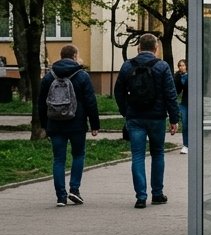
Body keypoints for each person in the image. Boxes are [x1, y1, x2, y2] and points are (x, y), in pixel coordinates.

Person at [114, 34, 180, 208]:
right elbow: (170, 94)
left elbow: (118, 91)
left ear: (138, 47)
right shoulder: (162, 66)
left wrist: (125, 111)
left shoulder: (127, 66)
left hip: (135, 117)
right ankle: (157, 194)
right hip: (157, 118)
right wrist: (174, 118)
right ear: (156, 48)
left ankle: (141, 197)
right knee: (158, 153)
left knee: (137, 156)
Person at [39, 45, 100, 207]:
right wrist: (95, 124)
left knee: (58, 159)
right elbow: (90, 102)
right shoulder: (82, 76)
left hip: (55, 124)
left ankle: (60, 196)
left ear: (61, 56)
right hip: (77, 124)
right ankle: (74, 190)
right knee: (78, 155)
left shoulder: (49, 76)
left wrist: (45, 125)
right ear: (74, 56)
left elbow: (41, 103)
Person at [174, 59, 190, 153]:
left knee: (192, 125)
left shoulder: (190, 76)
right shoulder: (178, 76)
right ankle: (186, 145)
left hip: (192, 102)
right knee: (185, 124)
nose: (181, 67)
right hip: (184, 103)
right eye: (180, 65)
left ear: (186, 66)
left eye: (183, 65)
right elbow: (177, 90)